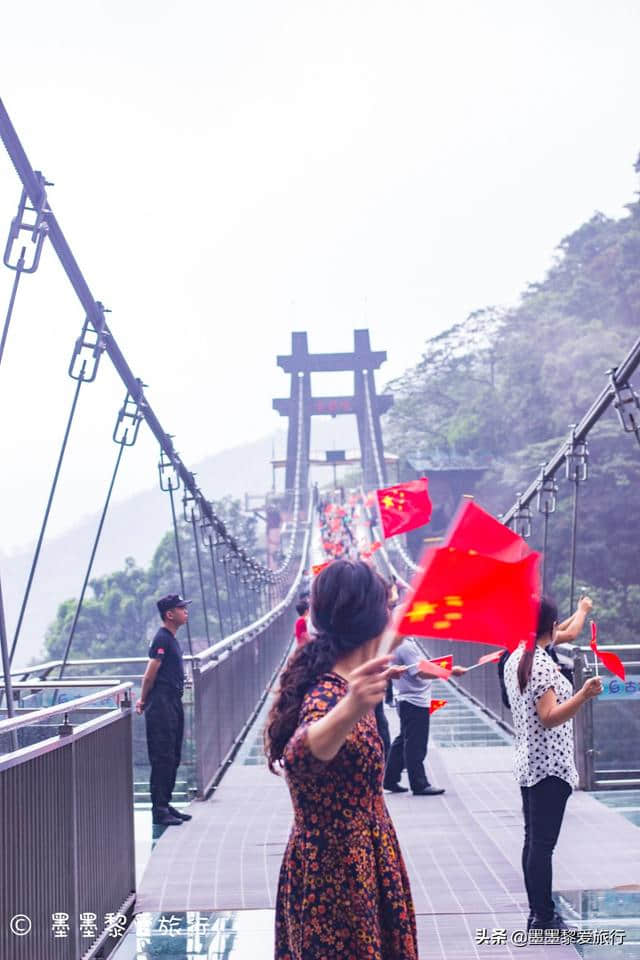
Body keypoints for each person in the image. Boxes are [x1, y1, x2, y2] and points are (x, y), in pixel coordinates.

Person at [265, 559, 418, 960]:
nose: (392, 612)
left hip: (362, 861)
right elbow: (297, 759)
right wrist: (350, 708)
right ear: (371, 617)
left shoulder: (350, 674)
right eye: (387, 604)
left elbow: (404, 621)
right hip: (336, 880)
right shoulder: (330, 695)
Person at [503, 597, 602, 932]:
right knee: (542, 845)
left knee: (534, 841)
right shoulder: (541, 665)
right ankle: (543, 916)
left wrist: (580, 612)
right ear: (552, 624)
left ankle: (539, 912)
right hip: (550, 767)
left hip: (529, 762)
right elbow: (548, 717)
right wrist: (582, 695)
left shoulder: (517, 656)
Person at [136, 594, 193, 827]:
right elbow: (151, 673)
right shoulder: (162, 639)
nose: (185, 611)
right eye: (181, 608)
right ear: (170, 614)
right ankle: (159, 809)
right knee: (162, 756)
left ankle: (166, 803)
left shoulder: (171, 638)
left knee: (173, 755)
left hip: (173, 701)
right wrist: (143, 699)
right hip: (161, 703)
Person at [384, 637, 467, 796]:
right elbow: (421, 673)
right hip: (414, 701)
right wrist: (450, 672)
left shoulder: (399, 643)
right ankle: (419, 784)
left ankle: (390, 778)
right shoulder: (406, 646)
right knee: (416, 743)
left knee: (404, 740)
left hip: (406, 699)